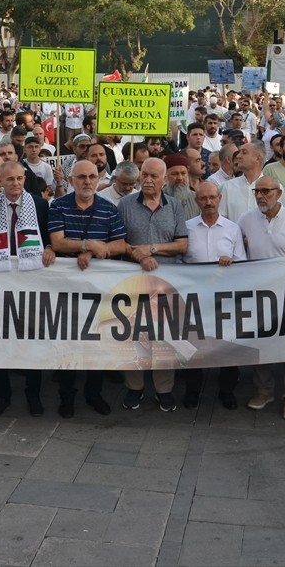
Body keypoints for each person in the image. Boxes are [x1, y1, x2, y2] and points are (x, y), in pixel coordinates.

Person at [0, 161, 56, 417]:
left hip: (31, 281)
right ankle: (2, 394)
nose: (16, 184)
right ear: (0, 182)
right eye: (10, 180)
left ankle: (33, 393)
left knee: (32, 339)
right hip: (0, 282)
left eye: (20, 178)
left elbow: (48, 237)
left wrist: (51, 248)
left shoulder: (40, 205)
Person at [47, 158, 128, 418]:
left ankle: (94, 393)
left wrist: (92, 252)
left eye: (92, 177)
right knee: (67, 343)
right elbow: (57, 243)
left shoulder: (108, 208)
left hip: (98, 288)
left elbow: (119, 245)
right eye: (81, 177)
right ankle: (66, 396)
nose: (87, 182)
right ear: (71, 181)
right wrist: (88, 245)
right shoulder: (58, 206)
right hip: (65, 288)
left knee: (97, 342)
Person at [117, 157, 189, 412]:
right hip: (133, 281)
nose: (147, 179)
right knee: (134, 336)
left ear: (164, 180)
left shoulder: (176, 207)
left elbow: (182, 244)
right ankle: (134, 387)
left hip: (166, 282)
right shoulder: (125, 205)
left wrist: (153, 249)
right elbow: (118, 242)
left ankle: (164, 390)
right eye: (144, 174)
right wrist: (138, 255)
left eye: (154, 176)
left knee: (164, 338)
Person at [239, 177, 285, 420]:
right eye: (257, 191)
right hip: (257, 293)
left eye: (266, 191)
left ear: (278, 193)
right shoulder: (245, 220)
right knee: (260, 343)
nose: (260, 196)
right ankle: (263, 390)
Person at [182, 180, 245, 410]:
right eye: (203, 198)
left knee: (226, 345)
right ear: (196, 201)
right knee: (193, 346)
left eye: (212, 197)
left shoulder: (232, 228)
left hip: (224, 298)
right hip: (193, 297)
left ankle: (227, 391)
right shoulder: (186, 227)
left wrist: (231, 263)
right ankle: (192, 390)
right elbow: (179, 262)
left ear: (219, 199)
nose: (208, 202)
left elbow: (243, 263)